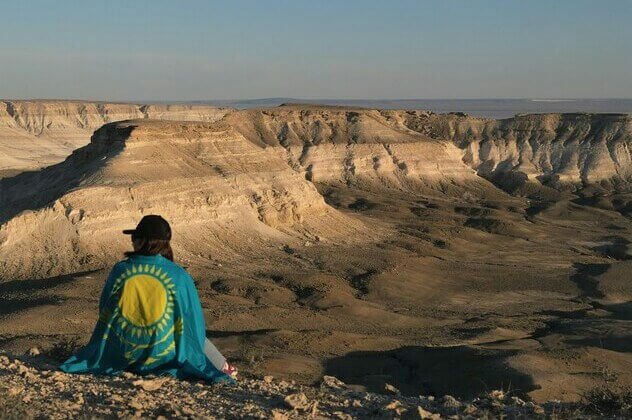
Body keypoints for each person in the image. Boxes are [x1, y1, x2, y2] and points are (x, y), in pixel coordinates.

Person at [60, 215, 238, 380]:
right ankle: (226, 369)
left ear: (143, 241)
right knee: (192, 333)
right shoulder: (179, 275)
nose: (132, 242)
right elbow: (192, 321)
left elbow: (105, 310)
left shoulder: (120, 270)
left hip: (121, 353)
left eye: (135, 237)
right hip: (166, 357)